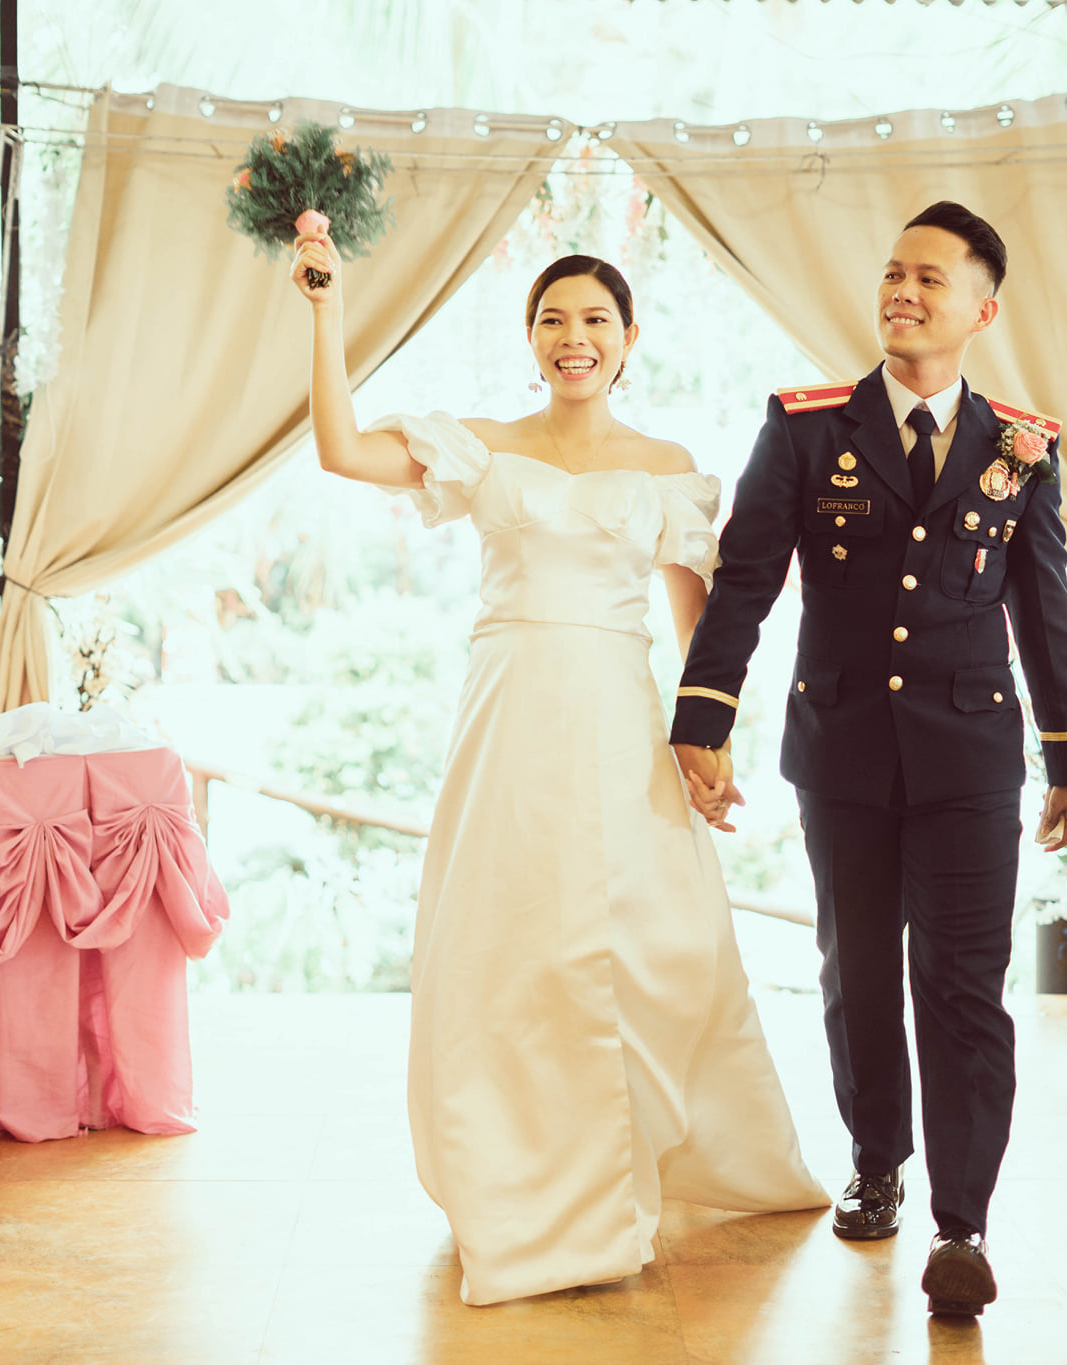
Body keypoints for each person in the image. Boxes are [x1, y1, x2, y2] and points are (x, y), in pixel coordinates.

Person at [290, 237, 825, 1306]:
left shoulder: (666, 467)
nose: (572, 338)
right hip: (509, 718)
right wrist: (327, 309)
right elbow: (340, 450)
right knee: (508, 941)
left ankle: (639, 1149)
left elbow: (699, 629)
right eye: (552, 320)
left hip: (620, 717)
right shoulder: (483, 449)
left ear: (628, 340)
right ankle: (515, 1176)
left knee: (654, 940)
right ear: (529, 339)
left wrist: (708, 744)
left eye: (593, 320)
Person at [669, 201, 1067, 1318]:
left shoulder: (1021, 445)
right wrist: (702, 713)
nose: (901, 293)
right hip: (843, 749)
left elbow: (1042, 603)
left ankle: (963, 1223)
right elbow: (747, 579)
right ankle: (876, 1161)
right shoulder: (807, 427)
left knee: (962, 985)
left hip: (971, 758)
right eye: (892, 274)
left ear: (981, 311)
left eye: (928, 279)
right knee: (857, 971)